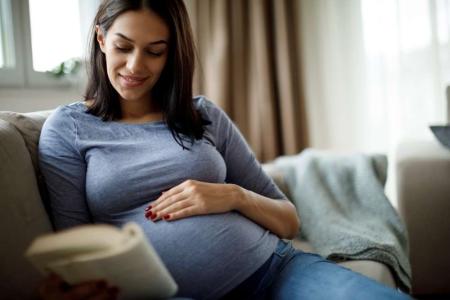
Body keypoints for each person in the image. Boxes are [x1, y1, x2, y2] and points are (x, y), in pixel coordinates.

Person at [38, 0, 411, 299]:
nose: (135, 65)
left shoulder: (203, 115)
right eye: (123, 47)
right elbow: (75, 250)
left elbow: (288, 220)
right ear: (101, 39)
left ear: (171, 56)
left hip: (277, 270)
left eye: (155, 51)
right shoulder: (68, 129)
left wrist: (232, 196)